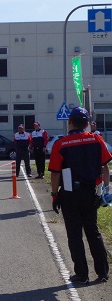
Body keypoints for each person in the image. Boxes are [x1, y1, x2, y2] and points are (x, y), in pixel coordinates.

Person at [49, 107, 110, 284]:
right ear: (87, 123)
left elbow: (55, 173)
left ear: (70, 122)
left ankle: (82, 274)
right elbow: (105, 167)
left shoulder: (61, 144)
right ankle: (103, 272)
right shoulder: (96, 139)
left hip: (69, 193)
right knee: (93, 232)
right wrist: (105, 189)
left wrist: (54, 195)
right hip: (91, 191)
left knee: (74, 234)